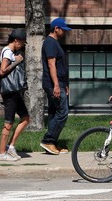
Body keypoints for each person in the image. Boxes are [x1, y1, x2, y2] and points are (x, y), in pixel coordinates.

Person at [40, 18, 72, 155]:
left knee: (54, 113)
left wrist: (64, 84)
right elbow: (51, 65)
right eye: (63, 29)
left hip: (58, 83)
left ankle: (52, 144)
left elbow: (59, 66)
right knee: (62, 112)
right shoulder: (50, 43)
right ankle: (48, 140)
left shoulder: (54, 43)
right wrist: (57, 85)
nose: (65, 32)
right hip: (53, 84)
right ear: (56, 28)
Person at [0, 28, 30, 161]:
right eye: (22, 43)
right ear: (16, 41)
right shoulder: (7, 52)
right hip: (10, 93)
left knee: (26, 118)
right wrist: (16, 61)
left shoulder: (12, 52)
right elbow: (2, 71)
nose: (22, 45)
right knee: (8, 123)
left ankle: (11, 146)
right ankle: (1, 153)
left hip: (15, 92)